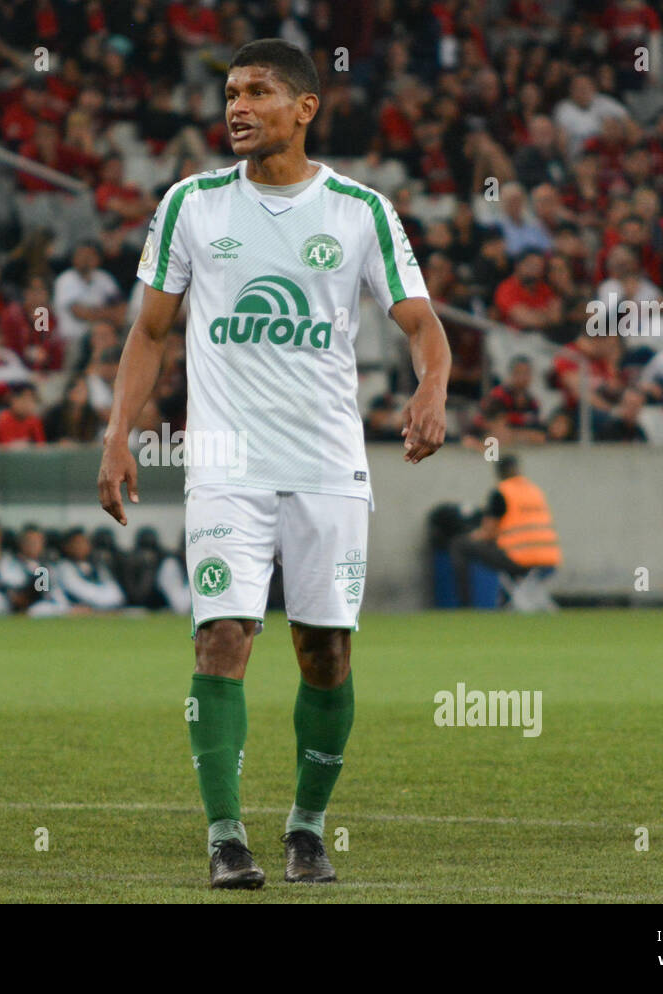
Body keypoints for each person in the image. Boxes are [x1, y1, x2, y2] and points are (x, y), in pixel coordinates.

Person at [96, 40, 450, 889]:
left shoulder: (359, 210)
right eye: (229, 93)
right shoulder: (190, 204)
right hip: (224, 464)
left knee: (325, 651)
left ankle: (306, 828)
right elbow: (149, 333)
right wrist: (118, 432)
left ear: (305, 109)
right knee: (222, 636)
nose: (237, 107)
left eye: (257, 92)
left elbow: (423, 325)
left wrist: (432, 386)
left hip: (328, 461)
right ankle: (225, 838)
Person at [449, 454, 561, 608]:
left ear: (499, 472)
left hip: (518, 558)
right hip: (549, 560)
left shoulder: (501, 492)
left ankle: (465, 605)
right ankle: (506, 601)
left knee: (460, 545)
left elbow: (487, 533)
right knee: (504, 560)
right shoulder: (535, 491)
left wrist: (472, 535)